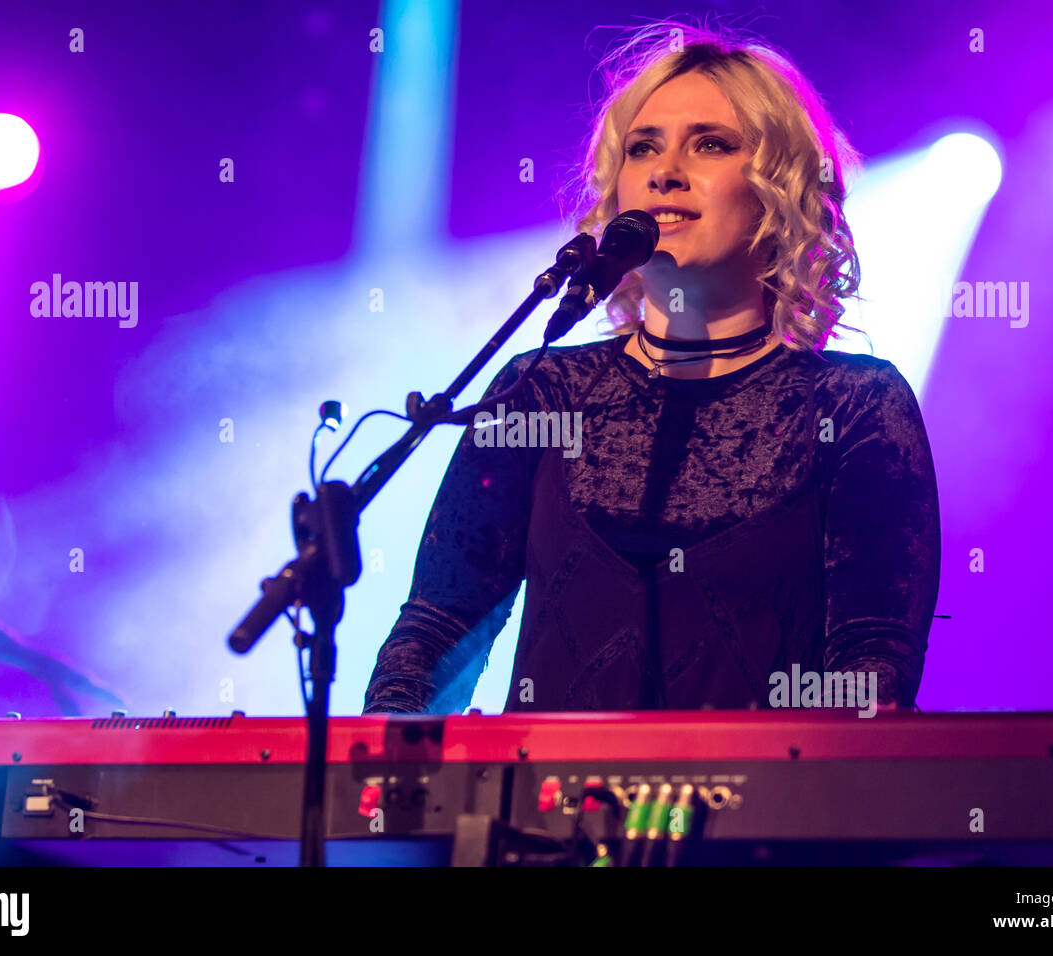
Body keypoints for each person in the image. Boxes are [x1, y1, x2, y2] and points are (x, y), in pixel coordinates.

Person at [363, 22, 940, 715]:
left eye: (711, 144)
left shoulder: (855, 407)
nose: (666, 171)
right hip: (534, 819)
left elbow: (870, 669)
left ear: (780, 186)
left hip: (766, 819)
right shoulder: (542, 390)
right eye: (644, 148)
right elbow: (436, 630)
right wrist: (380, 784)